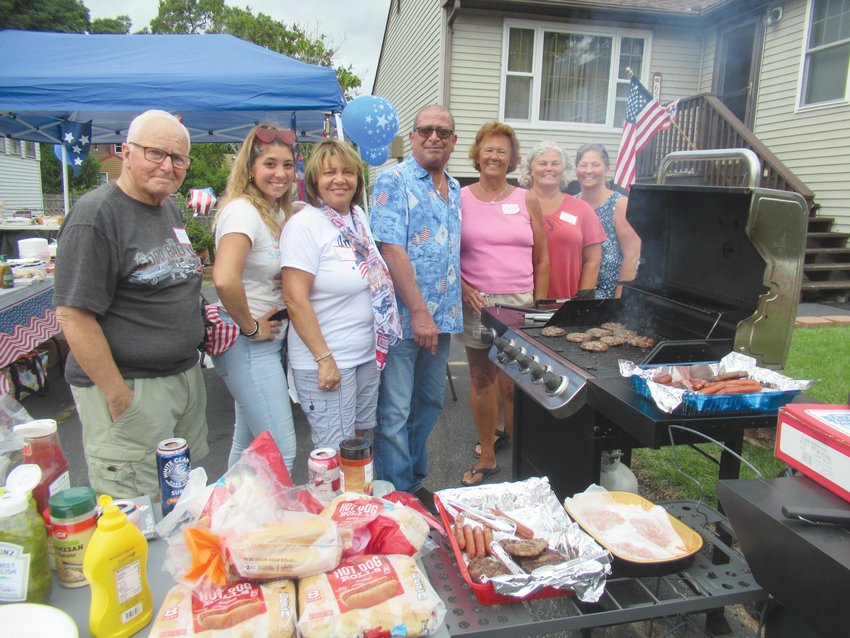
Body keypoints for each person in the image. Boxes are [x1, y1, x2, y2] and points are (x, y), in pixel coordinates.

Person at [55, 109, 208, 499]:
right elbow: (73, 315)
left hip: (181, 380)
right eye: (155, 153)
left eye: (177, 158)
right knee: (140, 511)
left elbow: (174, 277)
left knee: (181, 502)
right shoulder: (96, 215)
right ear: (126, 152)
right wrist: (118, 395)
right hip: (133, 387)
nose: (167, 165)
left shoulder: (167, 207)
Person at [369, 104, 462, 505]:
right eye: (425, 130)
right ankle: (395, 493)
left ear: (453, 141)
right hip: (405, 323)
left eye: (442, 132)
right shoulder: (393, 180)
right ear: (412, 137)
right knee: (394, 413)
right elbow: (391, 248)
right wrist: (420, 313)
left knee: (429, 404)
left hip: (444, 321)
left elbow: (451, 253)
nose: (433, 137)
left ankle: (414, 480)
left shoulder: (454, 188)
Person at [281, 139, 400, 450]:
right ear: (314, 180)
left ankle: (355, 500)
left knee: (358, 444)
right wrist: (324, 359)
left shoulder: (358, 215)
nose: (339, 179)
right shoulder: (305, 225)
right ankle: (335, 501)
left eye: (348, 172)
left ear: (358, 179)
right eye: (329, 172)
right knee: (334, 453)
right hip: (328, 359)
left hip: (364, 354)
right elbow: (295, 298)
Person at [459, 121, 549, 486]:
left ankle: (524, 455)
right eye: (488, 149)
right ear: (477, 155)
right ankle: (488, 453)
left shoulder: (526, 198)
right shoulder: (459, 198)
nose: (494, 156)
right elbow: (446, 254)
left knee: (516, 383)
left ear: (511, 159)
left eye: (502, 150)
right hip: (477, 303)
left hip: (519, 304)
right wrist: (463, 287)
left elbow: (542, 258)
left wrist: (540, 305)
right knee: (483, 378)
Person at [210, 125, 297, 471]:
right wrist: (250, 328)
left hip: (266, 342)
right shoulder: (243, 211)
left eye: (288, 165)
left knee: (247, 445)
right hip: (246, 342)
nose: (280, 173)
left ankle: (220, 521)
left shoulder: (272, 210)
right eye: (270, 164)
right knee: (281, 452)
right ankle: (268, 523)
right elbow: (224, 278)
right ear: (250, 169)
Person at [519, 141, 606, 300]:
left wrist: (582, 303)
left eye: (555, 163)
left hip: (564, 304)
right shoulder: (517, 204)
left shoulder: (582, 209)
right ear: (530, 170)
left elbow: (592, 260)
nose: (549, 168)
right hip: (519, 301)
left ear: (564, 170)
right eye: (542, 163)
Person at [575, 143, 641, 298]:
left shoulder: (620, 204)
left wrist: (618, 302)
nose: (589, 171)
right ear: (576, 170)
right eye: (583, 165)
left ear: (606, 169)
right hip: (574, 296)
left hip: (608, 298)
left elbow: (632, 257)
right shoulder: (571, 204)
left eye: (595, 165)